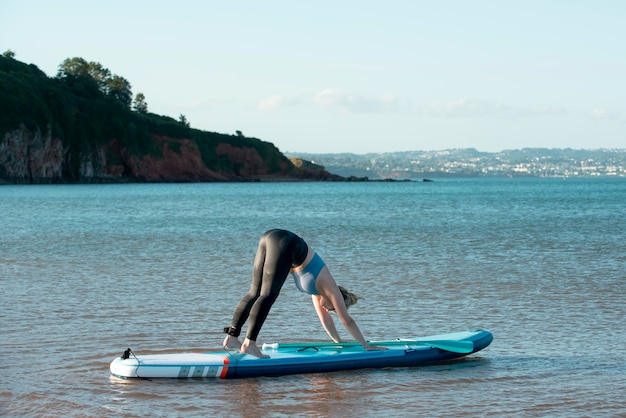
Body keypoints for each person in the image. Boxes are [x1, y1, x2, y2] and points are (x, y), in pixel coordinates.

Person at [223, 229, 387, 358]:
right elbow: (347, 321)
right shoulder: (332, 290)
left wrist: (338, 343)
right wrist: (366, 346)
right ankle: (249, 344)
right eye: (333, 309)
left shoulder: (318, 293)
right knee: (267, 295)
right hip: (284, 242)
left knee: (255, 293)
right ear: (338, 302)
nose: (329, 311)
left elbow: (326, 321)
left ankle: (232, 339)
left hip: (271, 236)